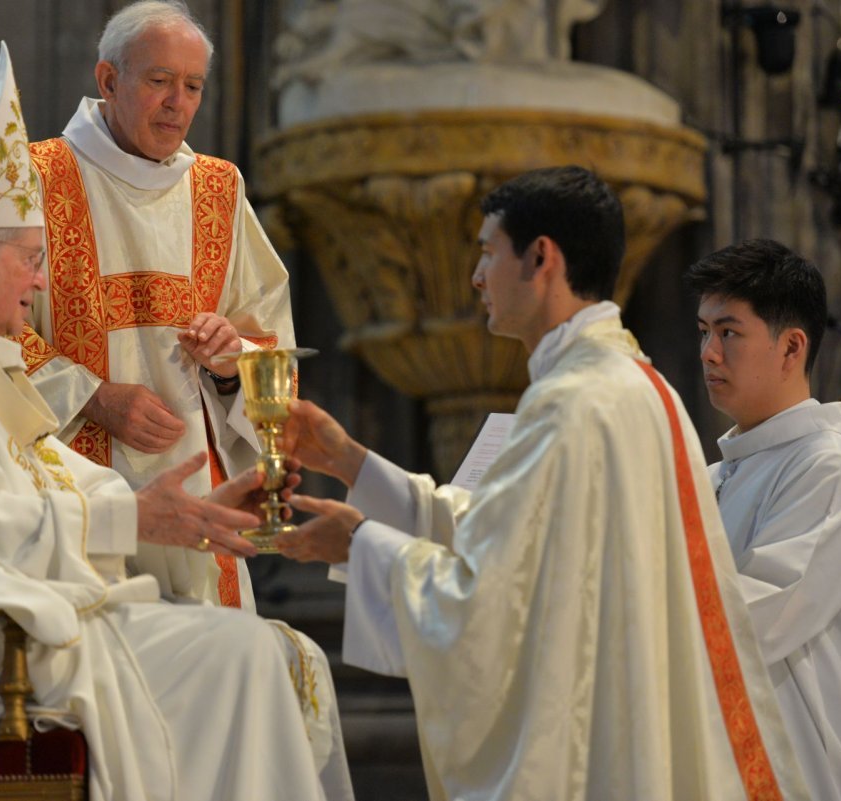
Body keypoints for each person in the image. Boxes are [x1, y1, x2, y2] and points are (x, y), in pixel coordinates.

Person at [0, 43, 352, 801]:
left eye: (193, 85)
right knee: (243, 657)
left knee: (259, 653)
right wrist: (134, 514)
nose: (38, 278)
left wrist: (179, 511)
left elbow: (39, 469)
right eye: (28, 258)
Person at [275, 166, 810, 800]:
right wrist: (350, 461)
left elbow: (488, 602)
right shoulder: (627, 381)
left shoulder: (574, 402)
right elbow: (507, 540)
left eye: (487, 252)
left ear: (541, 257)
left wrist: (361, 543)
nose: (477, 277)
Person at [17, 0, 293, 611]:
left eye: (193, 86)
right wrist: (94, 396)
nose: (179, 103)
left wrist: (230, 361)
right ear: (109, 80)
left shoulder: (220, 189)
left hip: (198, 484)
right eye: (160, 81)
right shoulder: (35, 176)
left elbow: (271, 348)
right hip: (74, 484)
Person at [687, 239, 841, 801]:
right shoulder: (713, 478)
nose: (708, 351)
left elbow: (754, 617)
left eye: (728, 332)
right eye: (703, 331)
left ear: (791, 348)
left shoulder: (828, 470)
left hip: (815, 778)